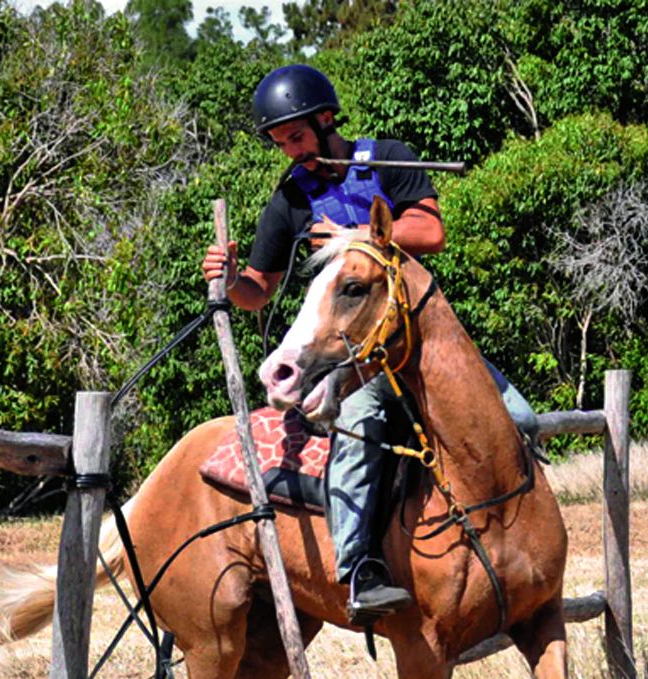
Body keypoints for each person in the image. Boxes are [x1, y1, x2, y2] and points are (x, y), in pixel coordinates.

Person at [202, 64, 535, 623]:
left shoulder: (387, 157)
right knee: (358, 425)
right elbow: (257, 293)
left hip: (423, 342)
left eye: (297, 137)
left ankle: (523, 534)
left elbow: (432, 233)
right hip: (355, 359)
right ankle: (361, 570)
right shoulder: (290, 199)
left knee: (519, 417)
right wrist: (230, 276)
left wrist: (357, 236)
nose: (291, 150)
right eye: (281, 142)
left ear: (326, 119)